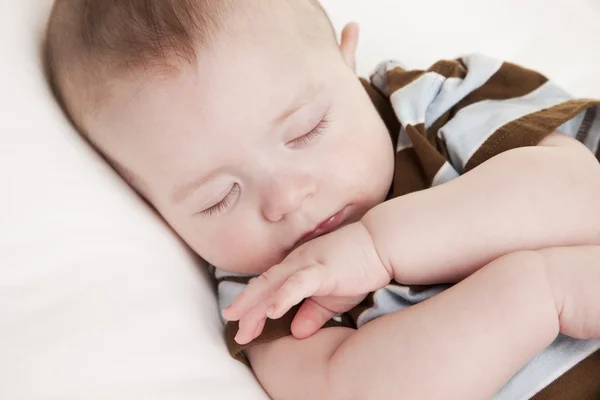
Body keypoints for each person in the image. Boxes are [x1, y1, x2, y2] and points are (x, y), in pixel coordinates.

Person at [45, 0, 600, 398]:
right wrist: (540, 294)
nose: (286, 197)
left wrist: (378, 248)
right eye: (218, 198)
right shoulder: (265, 296)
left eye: (306, 130)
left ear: (347, 65)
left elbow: (579, 195)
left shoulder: (433, 102)